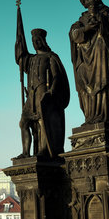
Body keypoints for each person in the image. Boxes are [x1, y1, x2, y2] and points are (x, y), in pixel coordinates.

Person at [69, 0, 109, 124]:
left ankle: (106, 116)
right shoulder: (81, 19)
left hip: (102, 58)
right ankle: (91, 116)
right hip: (86, 62)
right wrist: (84, 29)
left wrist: (98, 18)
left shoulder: (106, 12)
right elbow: (74, 35)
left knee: (103, 85)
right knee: (86, 88)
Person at [15, 27, 70, 159]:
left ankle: (44, 150)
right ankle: (25, 152)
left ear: (43, 41)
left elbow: (57, 76)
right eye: (33, 41)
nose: (35, 44)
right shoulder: (31, 59)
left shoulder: (51, 57)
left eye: (37, 41)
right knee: (24, 122)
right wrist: (20, 42)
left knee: (43, 122)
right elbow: (20, 58)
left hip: (43, 94)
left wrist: (52, 90)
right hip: (32, 96)